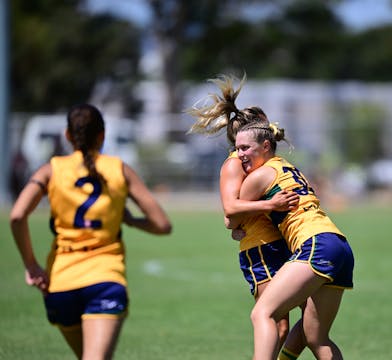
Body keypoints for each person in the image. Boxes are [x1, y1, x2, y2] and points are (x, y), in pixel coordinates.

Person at [10, 104, 172, 359]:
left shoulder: (51, 170)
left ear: (67, 135)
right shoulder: (119, 169)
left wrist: (31, 265)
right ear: (102, 136)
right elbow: (162, 225)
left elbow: (17, 215)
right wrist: (130, 221)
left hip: (61, 282)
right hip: (104, 278)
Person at [187, 74, 306, 359]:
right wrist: (269, 207)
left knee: (311, 315)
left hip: (284, 243)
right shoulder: (234, 164)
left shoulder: (261, 163)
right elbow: (230, 212)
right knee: (276, 325)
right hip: (261, 248)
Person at [227, 121, 355, 360]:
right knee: (316, 338)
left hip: (317, 244)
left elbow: (232, 217)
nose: (239, 155)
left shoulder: (259, 176)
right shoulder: (289, 167)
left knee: (262, 313)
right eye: (237, 148)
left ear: (266, 146)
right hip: (339, 245)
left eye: (245, 148)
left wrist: (236, 226)